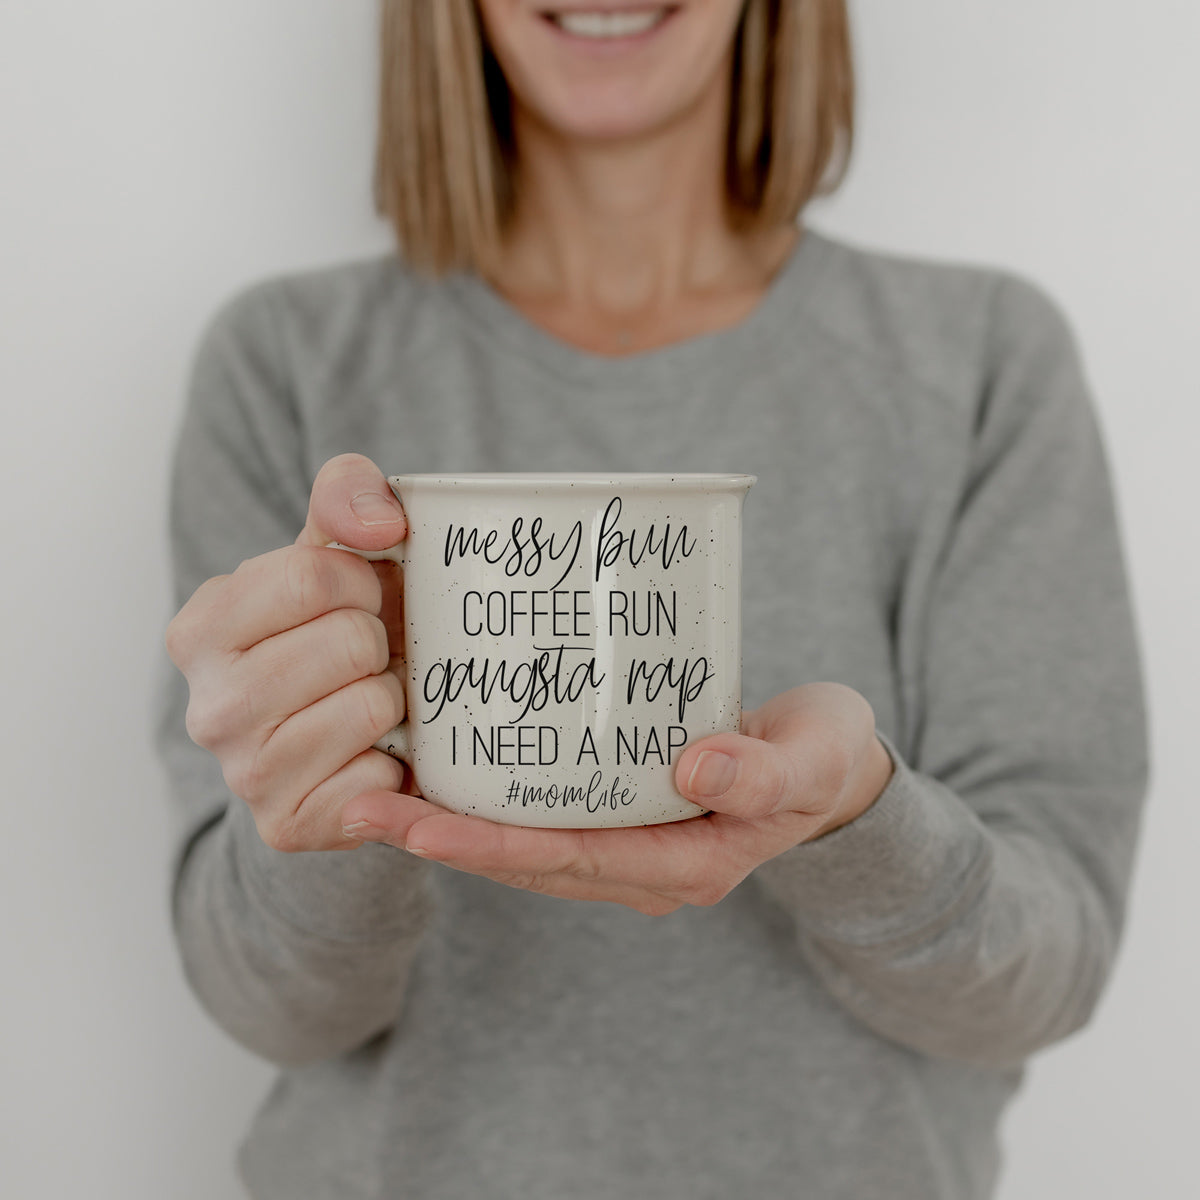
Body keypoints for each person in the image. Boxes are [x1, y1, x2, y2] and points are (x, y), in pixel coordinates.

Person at [157, 1, 1148, 1197]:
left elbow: (1047, 977)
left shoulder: (982, 361)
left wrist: (855, 821)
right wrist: (330, 807)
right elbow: (270, 1008)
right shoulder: (285, 364)